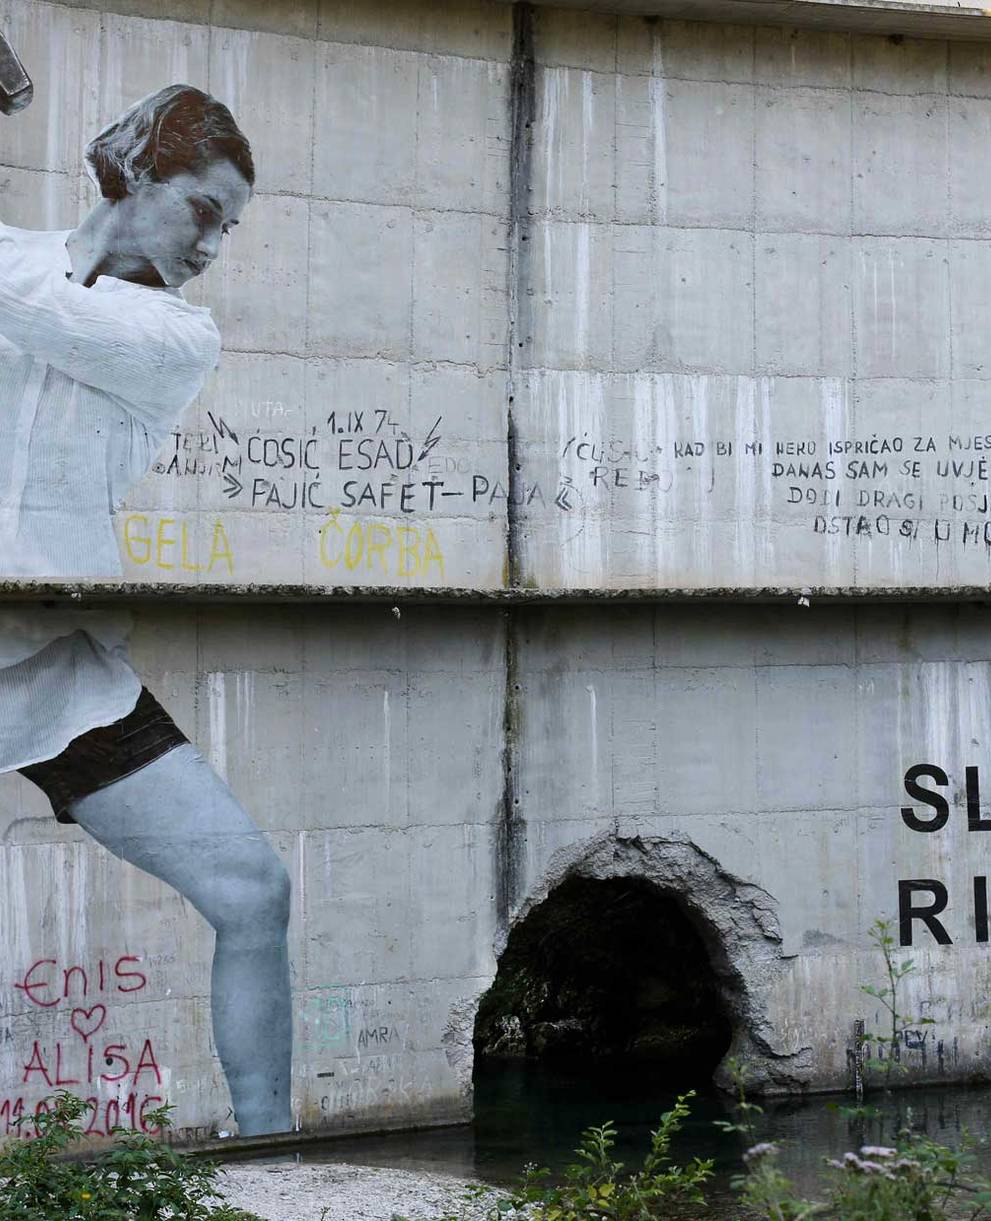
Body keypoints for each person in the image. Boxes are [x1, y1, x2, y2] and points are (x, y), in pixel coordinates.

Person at [0, 85, 292, 1138]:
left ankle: (274, 1157)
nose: (215, 243)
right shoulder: (17, 258)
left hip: (55, 673)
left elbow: (40, 314)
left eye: (230, 225)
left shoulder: (173, 336)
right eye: (204, 209)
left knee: (253, 891)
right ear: (136, 172)